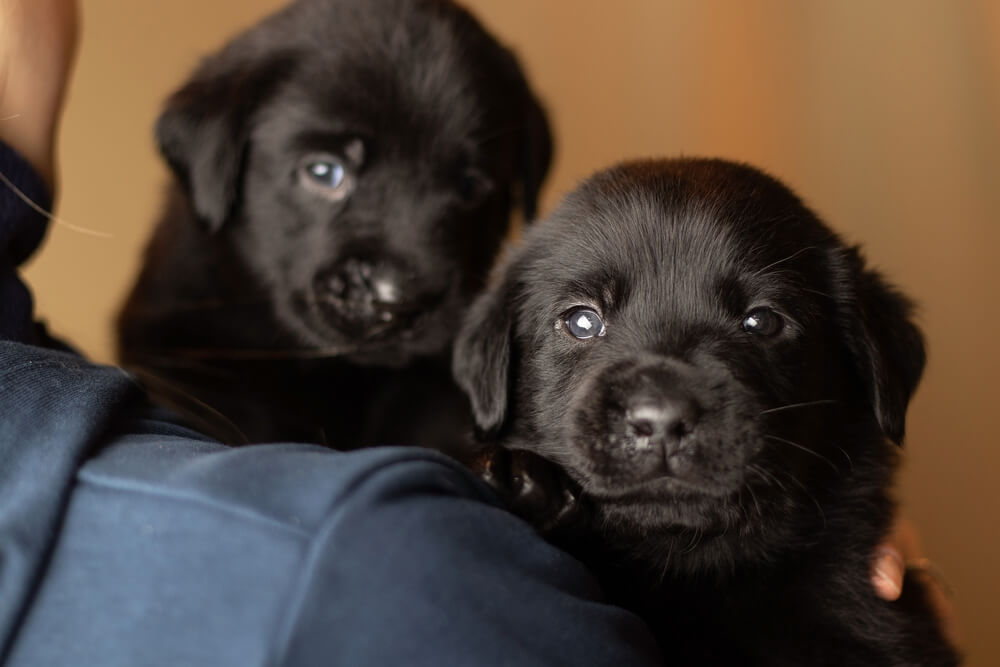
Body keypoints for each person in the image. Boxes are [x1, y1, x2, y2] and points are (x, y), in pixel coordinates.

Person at [0, 1, 936, 665]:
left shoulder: (72, 416)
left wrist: (814, 527)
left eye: (467, 189)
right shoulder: (372, 556)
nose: (406, 264)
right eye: (328, 170)